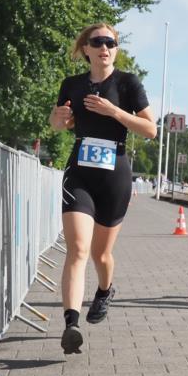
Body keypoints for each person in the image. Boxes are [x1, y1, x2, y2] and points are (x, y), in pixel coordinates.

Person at [50, 24, 157, 353]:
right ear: (86, 49)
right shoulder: (73, 84)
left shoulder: (127, 83)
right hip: (80, 172)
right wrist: (61, 117)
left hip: (115, 175)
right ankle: (71, 324)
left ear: (116, 49)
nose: (105, 47)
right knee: (78, 249)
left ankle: (105, 290)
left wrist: (115, 111)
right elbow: (57, 126)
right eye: (97, 42)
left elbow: (151, 129)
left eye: (111, 42)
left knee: (101, 254)